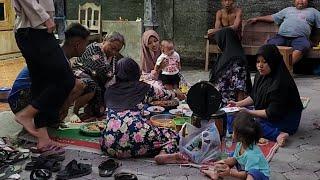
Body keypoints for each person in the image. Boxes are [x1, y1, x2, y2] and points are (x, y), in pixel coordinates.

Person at [8, 23, 90, 142]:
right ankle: (45, 120)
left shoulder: (59, 55)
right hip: (20, 99)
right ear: (77, 44)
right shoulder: (57, 58)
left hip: (20, 98)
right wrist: (64, 108)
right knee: (77, 85)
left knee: (69, 84)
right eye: (86, 44)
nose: (86, 48)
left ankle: (46, 121)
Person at [13, 0, 77, 149]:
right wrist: (45, 18)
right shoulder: (39, 23)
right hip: (35, 29)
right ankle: (26, 114)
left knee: (41, 82)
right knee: (65, 79)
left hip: (31, 30)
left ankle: (43, 138)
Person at [100, 57, 188, 163]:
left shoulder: (109, 91)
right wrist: (177, 94)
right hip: (136, 139)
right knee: (173, 135)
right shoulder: (142, 87)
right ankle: (163, 153)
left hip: (109, 145)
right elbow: (165, 94)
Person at [229, 44, 303, 147]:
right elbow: (254, 96)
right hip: (269, 113)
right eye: (258, 62)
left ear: (273, 62)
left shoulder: (281, 83)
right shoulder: (260, 75)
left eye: (264, 62)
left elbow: (272, 113)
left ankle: (278, 134)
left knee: (252, 123)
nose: (260, 65)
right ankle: (241, 130)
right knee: (233, 115)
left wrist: (249, 112)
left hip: (285, 120)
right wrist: (237, 104)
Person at [201, 111, 270, 180]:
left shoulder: (252, 155)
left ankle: (222, 174)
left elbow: (246, 174)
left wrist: (230, 173)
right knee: (222, 164)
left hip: (260, 176)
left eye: (234, 131)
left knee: (252, 174)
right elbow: (235, 159)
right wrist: (223, 162)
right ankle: (215, 173)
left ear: (241, 137)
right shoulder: (240, 144)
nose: (232, 133)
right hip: (243, 169)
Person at [247, 0, 320, 64]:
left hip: (300, 38)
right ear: (294, 1)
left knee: (303, 46)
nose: (300, 1)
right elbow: (273, 17)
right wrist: (257, 18)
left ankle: (284, 68)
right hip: (281, 37)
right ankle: (270, 68)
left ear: (308, 1)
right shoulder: (288, 10)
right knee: (269, 47)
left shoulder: (313, 11)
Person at [72, 32, 125, 120]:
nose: (114, 52)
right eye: (112, 48)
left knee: (99, 110)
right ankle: (74, 111)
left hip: (97, 79)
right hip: (80, 74)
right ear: (105, 40)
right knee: (92, 86)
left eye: (117, 50)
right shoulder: (94, 49)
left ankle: (89, 111)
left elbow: (112, 73)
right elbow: (104, 72)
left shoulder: (113, 57)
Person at [209, 28, 252, 106]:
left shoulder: (238, 62)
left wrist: (238, 108)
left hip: (230, 105)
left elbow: (240, 89)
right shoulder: (222, 58)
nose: (218, 46)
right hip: (217, 100)